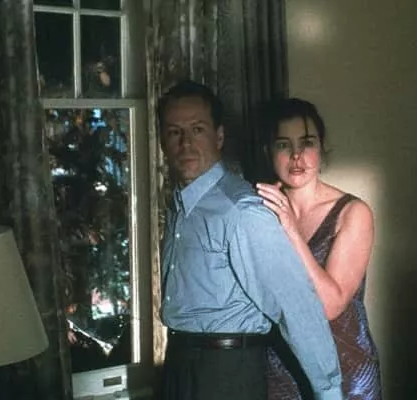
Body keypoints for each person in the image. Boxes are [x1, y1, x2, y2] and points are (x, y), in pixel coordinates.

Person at [158, 80, 343, 400]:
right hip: (178, 366)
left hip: (226, 374)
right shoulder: (180, 206)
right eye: (175, 132)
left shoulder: (242, 210)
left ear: (219, 136)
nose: (186, 143)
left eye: (197, 130)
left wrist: (329, 391)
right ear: (162, 140)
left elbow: (295, 305)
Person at [256, 98, 382, 399]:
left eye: (307, 142)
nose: (296, 155)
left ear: (322, 147)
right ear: (268, 151)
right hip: (279, 370)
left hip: (346, 373)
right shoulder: (258, 212)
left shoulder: (353, 212)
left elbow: (330, 305)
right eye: (283, 145)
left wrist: (291, 230)